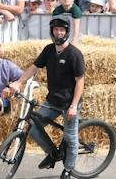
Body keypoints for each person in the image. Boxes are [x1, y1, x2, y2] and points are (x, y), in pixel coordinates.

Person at [14, 18, 84, 171]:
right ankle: (53, 153)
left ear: (66, 32)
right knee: (33, 129)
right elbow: (34, 68)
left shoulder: (74, 54)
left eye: (62, 30)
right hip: (52, 100)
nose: (59, 33)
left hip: (69, 104)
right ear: (52, 31)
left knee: (70, 138)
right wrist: (19, 82)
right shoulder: (49, 50)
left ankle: (68, 169)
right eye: (56, 30)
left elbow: (80, 81)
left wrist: (73, 106)